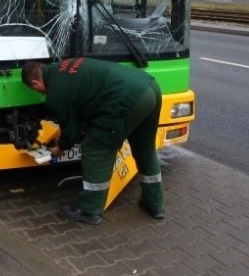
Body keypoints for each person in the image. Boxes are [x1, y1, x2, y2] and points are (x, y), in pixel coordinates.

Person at [21, 58, 165, 226]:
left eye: (35, 90)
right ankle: (154, 204)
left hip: (126, 100)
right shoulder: (64, 66)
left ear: (35, 83)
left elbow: (71, 132)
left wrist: (61, 148)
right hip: (149, 87)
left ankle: (89, 210)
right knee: (144, 148)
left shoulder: (55, 92)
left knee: (96, 149)